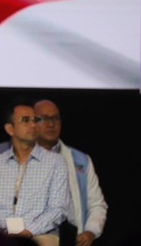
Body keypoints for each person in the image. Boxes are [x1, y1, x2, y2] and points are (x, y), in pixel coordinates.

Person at [0, 102, 69, 246]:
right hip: (1, 233)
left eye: (35, 120)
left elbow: (58, 209)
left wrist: (29, 231)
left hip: (40, 234)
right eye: (26, 120)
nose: (33, 125)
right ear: (10, 129)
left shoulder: (56, 162)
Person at [34, 99, 108, 246]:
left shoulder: (80, 159)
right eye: (44, 119)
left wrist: (91, 231)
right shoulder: (21, 158)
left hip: (71, 238)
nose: (51, 124)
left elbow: (97, 204)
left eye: (55, 118)